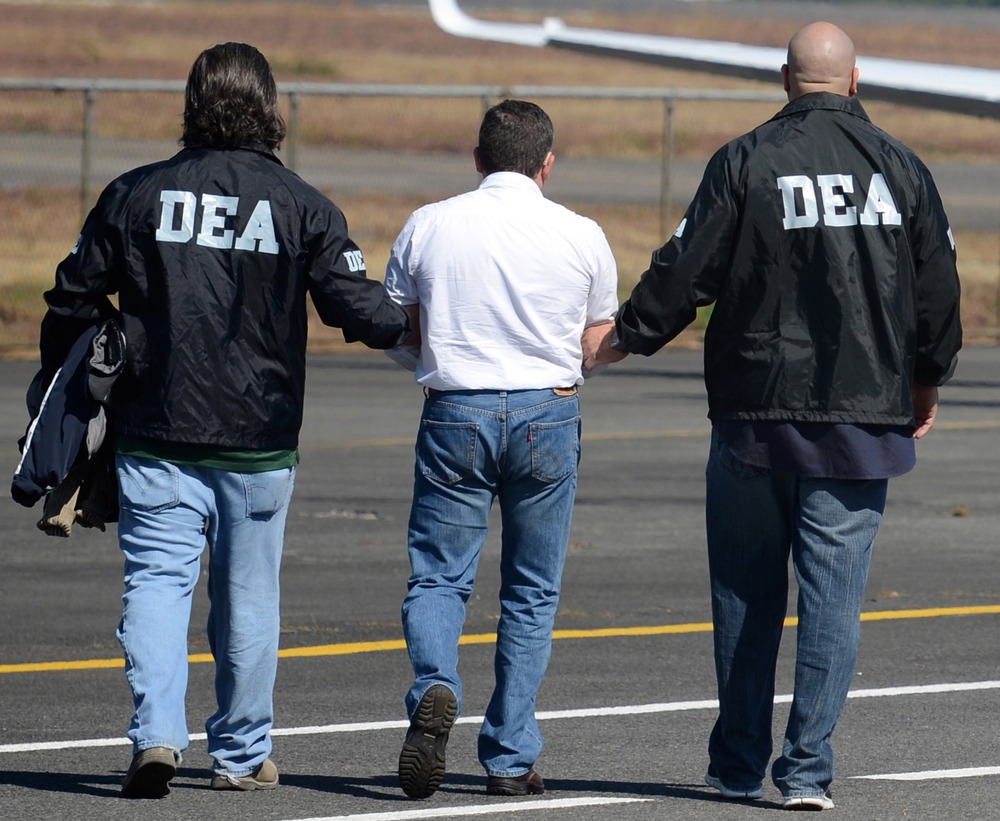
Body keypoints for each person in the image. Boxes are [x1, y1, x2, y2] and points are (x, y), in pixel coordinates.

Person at [584, 22, 961, 812]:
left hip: (755, 414)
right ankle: (807, 773)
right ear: (855, 79)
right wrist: (924, 383)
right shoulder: (903, 170)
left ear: (786, 79)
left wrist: (625, 337)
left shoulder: (744, 161)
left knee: (746, 594)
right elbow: (937, 293)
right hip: (861, 423)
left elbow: (686, 268)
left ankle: (734, 761)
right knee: (833, 601)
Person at [34, 42, 410, 798]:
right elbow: (360, 311)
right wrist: (431, 317)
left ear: (192, 103)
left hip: (155, 432)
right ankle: (240, 756)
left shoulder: (134, 194)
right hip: (259, 443)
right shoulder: (304, 204)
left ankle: (157, 735)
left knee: (156, 588)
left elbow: (69, 297)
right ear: (269, 106)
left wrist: (103, 353)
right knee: (248, 601)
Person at [383, 99, 619, 799]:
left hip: (457, 408)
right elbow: (595, 339)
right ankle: (511, 754)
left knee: (438, 577)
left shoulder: (430, 223)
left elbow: (399, 324)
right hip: (548, 412)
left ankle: (434, 685)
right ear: (547, 165)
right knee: (531, 589)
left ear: (478, 159)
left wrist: (440, 365)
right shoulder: (582, 234)